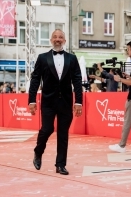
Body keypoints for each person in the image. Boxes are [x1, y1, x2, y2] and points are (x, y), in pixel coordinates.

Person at [28, 29, 83, 175]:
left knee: (63, 134)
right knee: (47, 129)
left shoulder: (72, 58)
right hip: (48, 101)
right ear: (51, 40)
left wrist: (79, 102)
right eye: (55, 37)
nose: (58, 39)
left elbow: (77, 80)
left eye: (60, 37)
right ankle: (38, 151)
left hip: (65, 101)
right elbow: (35, 80)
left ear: (64, 41)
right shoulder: (42, 58)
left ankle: (60, 165)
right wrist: (32, 100)